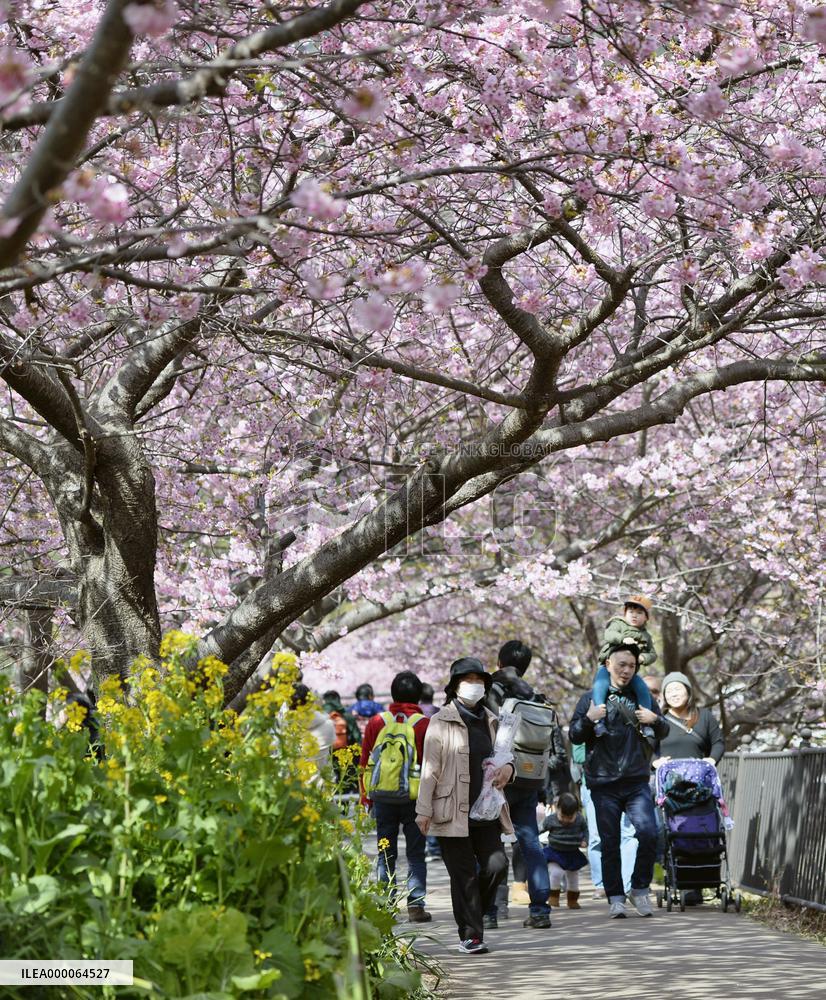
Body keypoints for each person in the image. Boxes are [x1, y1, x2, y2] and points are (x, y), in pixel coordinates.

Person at [416, 658, 515, 955]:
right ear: (455, 685)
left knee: (497, 865)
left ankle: (476, 912)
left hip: (486, 810)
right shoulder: (440, 721)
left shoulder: (492, 719)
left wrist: (508, 770)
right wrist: (423, 810)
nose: (475, 684)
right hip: (450, 811)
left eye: (479, 679)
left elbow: (506, 756)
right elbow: (429, 769)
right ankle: (471, 935)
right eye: (468, 679)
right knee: (464, 876)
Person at [569, 642, 669, 918]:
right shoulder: (591, 698)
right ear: (608, 665)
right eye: (621, 665)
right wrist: (589, 719)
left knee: (650, 833)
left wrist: (655, 720)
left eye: (631, 666)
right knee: (609, 841)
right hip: (603, 781)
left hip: (636, 779)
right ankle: (615, 896)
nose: (626, 671)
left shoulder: (643, 697)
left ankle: (639, 888)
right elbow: (575, 736)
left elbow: (664, 730)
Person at [484, 639, 563, 930]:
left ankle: (490, 911)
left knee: (490, 844)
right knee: (530, 843)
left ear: (499, 661)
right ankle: (540, 910)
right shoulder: (534, 696)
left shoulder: (492, 690)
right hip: (529, 779)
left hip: (497, 780)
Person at [359, 671, 431, 923]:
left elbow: (365, 759)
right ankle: (416, 906)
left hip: (383, 797)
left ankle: (386, 903)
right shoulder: (423, 724)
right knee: (415, 853)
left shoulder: (378, 722)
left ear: (392, 693)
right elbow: (430, 765)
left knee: (385, 851)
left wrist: (365, 797)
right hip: (415, 798)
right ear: (419, 696)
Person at [653, 671, 725, 905]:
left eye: (678, 689)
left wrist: (711, 760)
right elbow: (647, 746)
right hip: (670, 786)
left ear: (688, 691)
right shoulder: (659, 719)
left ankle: (700, 881)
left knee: (700, 830)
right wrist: (655, 762)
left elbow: (718, 742)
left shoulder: (703, 717)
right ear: (664, 695)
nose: (674, 694)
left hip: (699, 787)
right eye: (669, 690)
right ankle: (678, 879)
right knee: (672, 830)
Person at [594, 596, 657, 738]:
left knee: (642, 688)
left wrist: (643, 658)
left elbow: (652, 654)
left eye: (639, 613)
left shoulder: (646, 636)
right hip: (608, 667)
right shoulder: (618, 624)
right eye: (631, 612)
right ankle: (599, 720)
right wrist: (622, 639)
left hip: (630, 673)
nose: (634, 615)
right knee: (600, 685)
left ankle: (644, 723)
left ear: (646, 618)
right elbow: (608, 634)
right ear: (625, 613)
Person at [541, 792, 588, 908]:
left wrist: (585, 840)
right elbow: (540, 828)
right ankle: (553, 897)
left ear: (577, 812)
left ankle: (572, 900)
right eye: (563, 816)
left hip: (572, 853)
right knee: (556, 873)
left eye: (570, 817)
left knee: (573, 877)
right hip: (554, 852)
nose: (566, 820)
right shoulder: (551, 820)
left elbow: (586, 830)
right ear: (557, 808)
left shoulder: (580, 820)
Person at [288, 684, 336, 776]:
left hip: (294, 784)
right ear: (310, 700)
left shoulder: (284, 727)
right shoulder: (328, 724)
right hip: (324, 782)